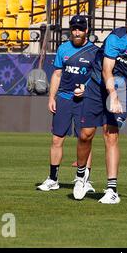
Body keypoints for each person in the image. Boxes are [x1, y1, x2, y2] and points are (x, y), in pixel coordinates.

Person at [73, 7, 127, 203]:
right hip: (98, 86)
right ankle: (81, 177)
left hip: (123, 89)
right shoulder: (115, 38)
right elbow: (106, 70)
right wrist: (112, 94)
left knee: (110, 135)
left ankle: (111, 190)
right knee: (85, 134)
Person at [37, 15, 100, 192]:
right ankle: (53, 179)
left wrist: (86, 90)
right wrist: (51, 97)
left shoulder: (95, 51)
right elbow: (57, 74)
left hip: (85, 101)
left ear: (87, 30)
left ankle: (84, 180)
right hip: (64, 99)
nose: (77, 32)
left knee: (85, 139)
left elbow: (98, 77)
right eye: (74, 28)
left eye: (80, 28)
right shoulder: (63, 48)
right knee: (57, 139)